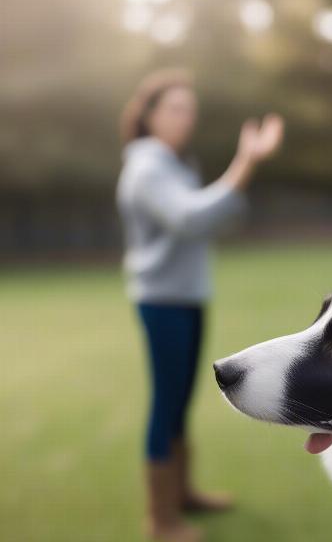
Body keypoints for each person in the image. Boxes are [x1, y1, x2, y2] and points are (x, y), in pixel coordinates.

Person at [116, 68, 284, 542]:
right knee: (166, 403)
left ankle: (182, 495)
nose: (185, 118)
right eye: (174, 108)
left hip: (187, 296)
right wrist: (246, 162)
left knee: (181, 401)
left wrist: (234, 183)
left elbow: (212, 215)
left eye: (190, 109)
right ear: (148, 115)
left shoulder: (174, 164)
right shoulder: (148, 166)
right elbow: (191, 218)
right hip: (162, 300)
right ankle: (160, 520)